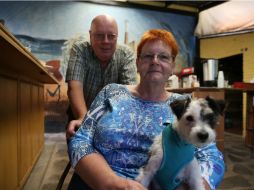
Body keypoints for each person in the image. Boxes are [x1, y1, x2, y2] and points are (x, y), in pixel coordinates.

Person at [67, 29, 225, 190]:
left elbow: (212, 156)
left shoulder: (186, 105)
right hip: (98, 183)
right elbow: (80, 140)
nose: (155, 61)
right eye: (148, 56)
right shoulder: (111, 92)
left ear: (172, 65)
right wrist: (110, 183)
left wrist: (198, 186)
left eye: (163, 57)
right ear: (137, 63)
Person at [65, 14, 137, 138]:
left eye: (111, 36)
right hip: (80, 112)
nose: (106, 41)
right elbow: (74, 86)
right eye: (99, 35)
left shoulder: (126, 55)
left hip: (112, 119)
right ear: (90, 35)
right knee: (77, 152)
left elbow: (129, 94)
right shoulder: (80, 49)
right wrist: (83, 118)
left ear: (117, 36)